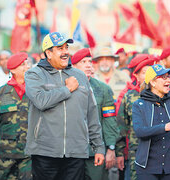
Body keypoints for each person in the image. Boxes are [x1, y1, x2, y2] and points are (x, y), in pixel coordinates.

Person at [25, 32, 105, 180]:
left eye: (66, 47)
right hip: (45, 152)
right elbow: (41, 101)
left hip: (76, 151)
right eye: (60, 48)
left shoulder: (80, 76)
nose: (65, 52)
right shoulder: (34, 74)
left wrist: (99, 147)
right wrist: (67, 89)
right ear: (48, 53)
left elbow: (91, 114)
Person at [71, 48, 120, 180]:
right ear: (74, 66)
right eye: (83, 62)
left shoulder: (103, 89)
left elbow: (109, 120)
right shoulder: (65, 87)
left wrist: (110, 148)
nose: (88, 65)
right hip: (71, 151)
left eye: (89, 61)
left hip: (94, 151)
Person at [0, 52, 32, 180]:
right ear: (13, 69)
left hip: (29, 154)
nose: (28, 67)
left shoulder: (36, 92)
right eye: (23, 65)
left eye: (28, 64)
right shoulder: (0, 94)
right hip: (6, 155)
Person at [116, 57, 156, 180]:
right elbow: (121, 126)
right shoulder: (129, 97)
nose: (148, 76)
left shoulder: (164, 95)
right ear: (136, 76)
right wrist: (119, 153)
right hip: (136, 153)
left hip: (159, 153)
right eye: (144, 72)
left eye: (151, 72)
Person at [132, 64, 170, 180]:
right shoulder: (139, 104)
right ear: (153, 83)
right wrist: (165, 127)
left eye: (168, 76)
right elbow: (139, 131)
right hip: (147, 168)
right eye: (163, 77)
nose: (168, 80)